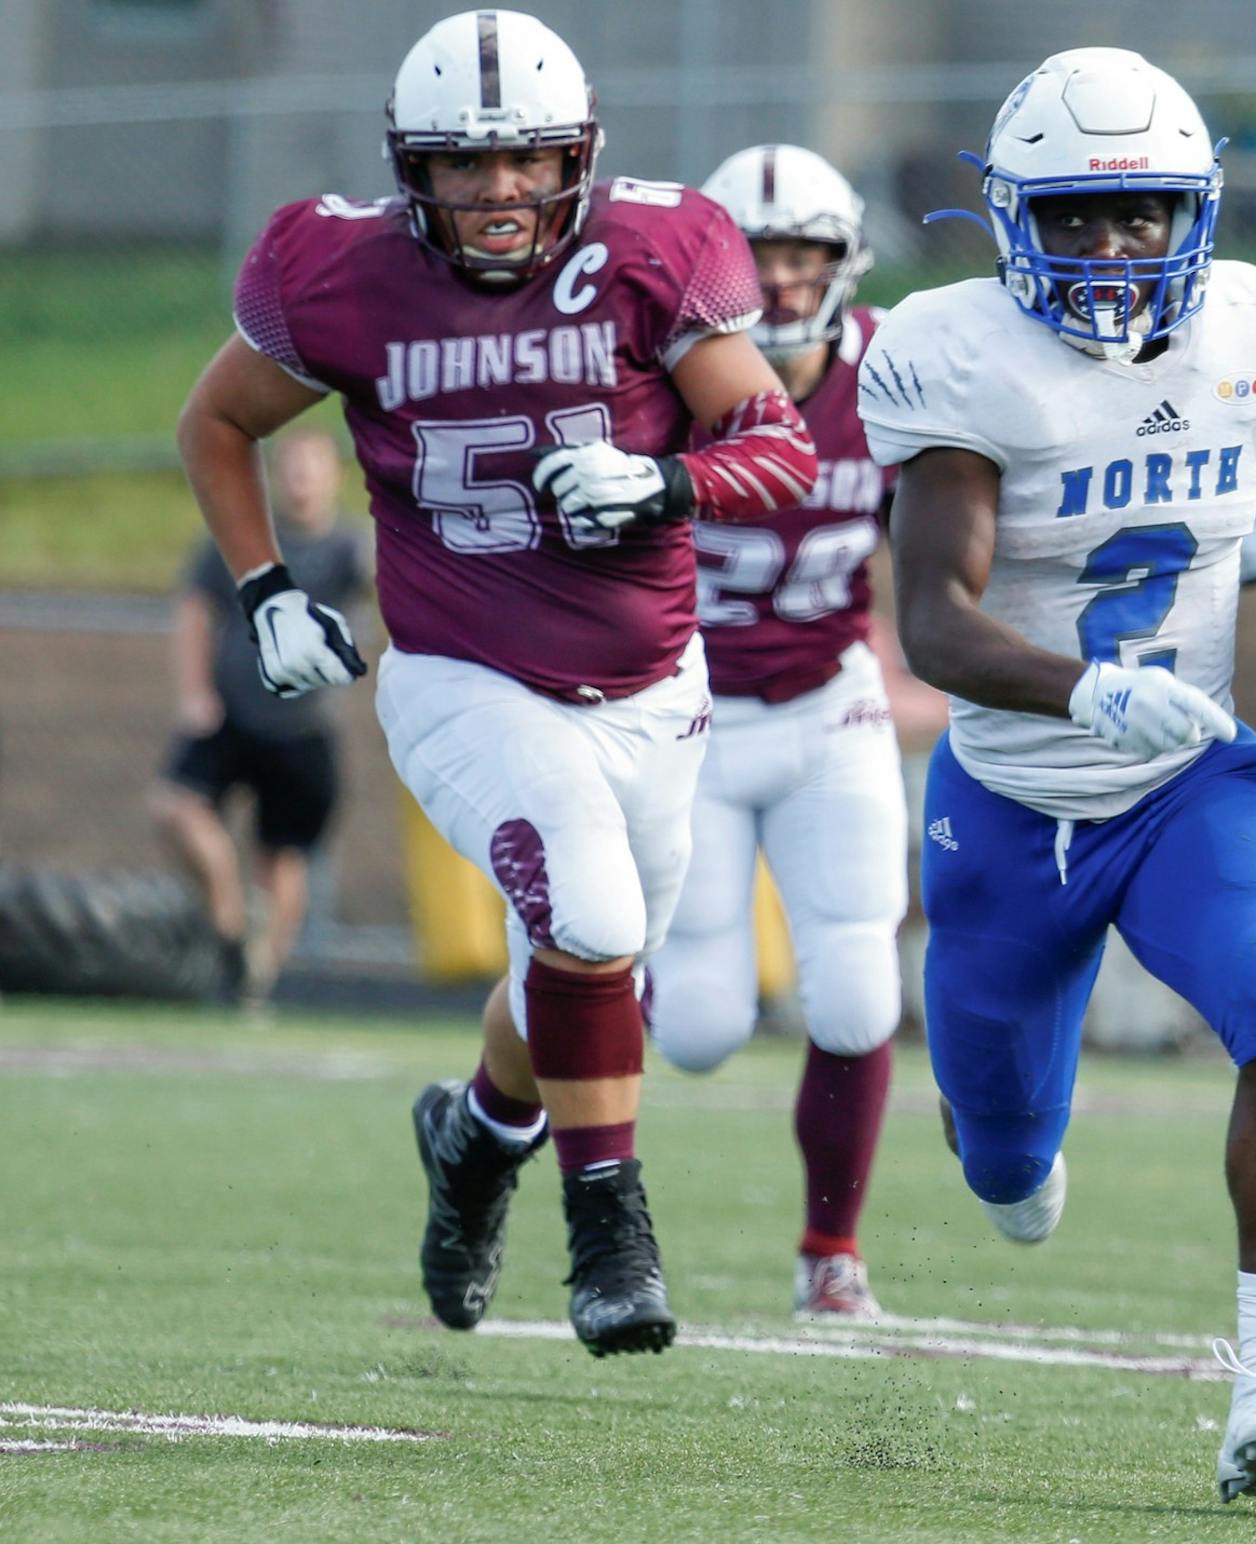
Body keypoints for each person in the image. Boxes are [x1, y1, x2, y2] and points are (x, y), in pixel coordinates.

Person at [861, 50, 1256, 1511]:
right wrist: (1084, 686)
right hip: (1009, 798)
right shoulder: (958, 356)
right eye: (1080, 217)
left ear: (1195, 211)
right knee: (1001, 1162)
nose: (1117, 249)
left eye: (1144, 214)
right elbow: (935, 617)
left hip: (1192, 779)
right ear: (1013, 220)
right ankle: (1011, 1138)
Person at [174, 10, 816, 1357]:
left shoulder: (653, 250)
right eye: (466, 167)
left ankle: (476, 1139)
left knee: (592, 972)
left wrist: (667, 480)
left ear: (578, 154)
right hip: (464, 675)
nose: (502, 192)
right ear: (413, 167)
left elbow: (780, 448)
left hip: (651, 683)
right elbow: (218, 423)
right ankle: (610, 1230)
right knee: (584, 921)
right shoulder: (338, 270)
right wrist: (267, 586)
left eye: (528, 160)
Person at [646, 144, 905, 1320]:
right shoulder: (655, 378)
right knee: (699, 1028)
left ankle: (830, 1248)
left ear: (844, 257)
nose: (788, 278)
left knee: (857, 993)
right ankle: (550, 1016)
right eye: (761, 254)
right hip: (693, 710)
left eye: (807, 252)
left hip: (827, 703)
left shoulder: (897, 370)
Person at [149, 428, 367, 1006]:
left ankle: (254, 979)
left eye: (312, 468)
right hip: (231, 713)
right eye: (291, 467)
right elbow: (196, 608)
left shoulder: (348, 548)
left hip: (303, 727)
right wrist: (195, 693)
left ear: (332, 477)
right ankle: (227, 913)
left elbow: (395, 592)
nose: (300, 479)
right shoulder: (244, 539)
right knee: (175, 806)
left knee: (283, 854)